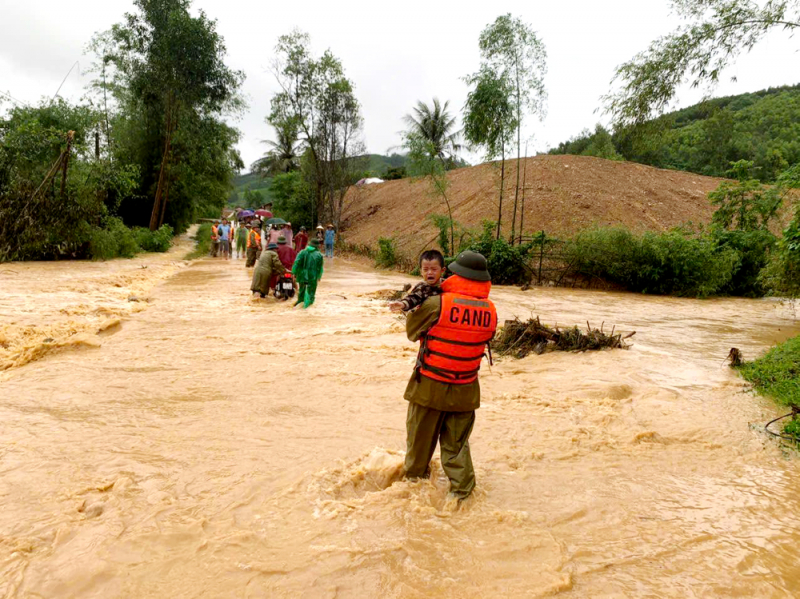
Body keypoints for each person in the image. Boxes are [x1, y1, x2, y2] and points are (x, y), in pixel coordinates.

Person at [402, 251, 498, 501]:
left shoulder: (437, 303)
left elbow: (412, 332)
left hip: (429, 387)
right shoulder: (491, 310)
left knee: (419, 447)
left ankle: (413, 495)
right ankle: (463, 496)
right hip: (466, 389)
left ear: (457, 275)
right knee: (457, 449)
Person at [292, 238, 324, 309]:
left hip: (302, 275)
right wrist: (319, 276)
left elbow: (296, 263)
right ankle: (309, 305)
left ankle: (300, 302)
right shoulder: (319, 255)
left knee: (302, 290)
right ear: (317, 246)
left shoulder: (302, 252)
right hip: (313, 276)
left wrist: (294, 273)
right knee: (311, 291)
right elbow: (320, 268)